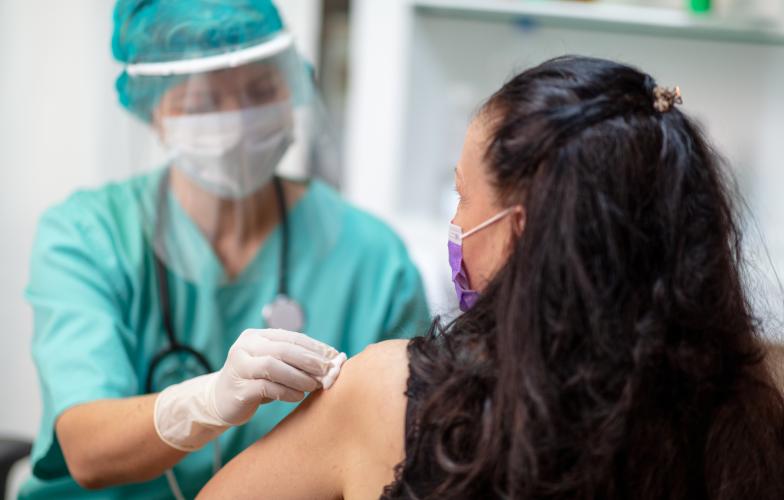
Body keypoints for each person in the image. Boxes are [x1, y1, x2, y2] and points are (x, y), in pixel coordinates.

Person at [198, 56, 784, 499]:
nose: (454, 223)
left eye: (462, 195)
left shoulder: (391, 395)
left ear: (519, 229)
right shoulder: (752, 411)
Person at [20, 1, 430, 498]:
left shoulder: (372, 257)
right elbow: (86, 450)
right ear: (154, 111)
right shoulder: (88, 235)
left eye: (260, 91)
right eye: (203, 101)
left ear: (292, 85)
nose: (235, 120)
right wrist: (206, 401)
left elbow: (408, 436)